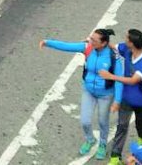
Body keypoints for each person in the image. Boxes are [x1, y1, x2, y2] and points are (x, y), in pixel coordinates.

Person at [40, 29, 119, 159]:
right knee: (85, 121)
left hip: (106, 94)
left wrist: (118, 100)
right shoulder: (88, 48)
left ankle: (103, 144)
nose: (90, 41)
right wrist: (47, 42)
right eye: (91, 38)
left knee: (102, 121)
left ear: (103, 43)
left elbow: (119, 78)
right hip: (89, 91)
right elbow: (67, 46)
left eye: (94, 40)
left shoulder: (113, 55)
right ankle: (90, 139)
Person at [100, 29, 142, 165]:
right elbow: (113, 46)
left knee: (140, 122)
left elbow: (133, 80)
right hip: (127, 98)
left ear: (132, 43)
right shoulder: (127, 49)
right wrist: (96, 42)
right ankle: (115, 156)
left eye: (126, 38)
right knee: (122, 125)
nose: (124, 39)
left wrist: (111, 76)